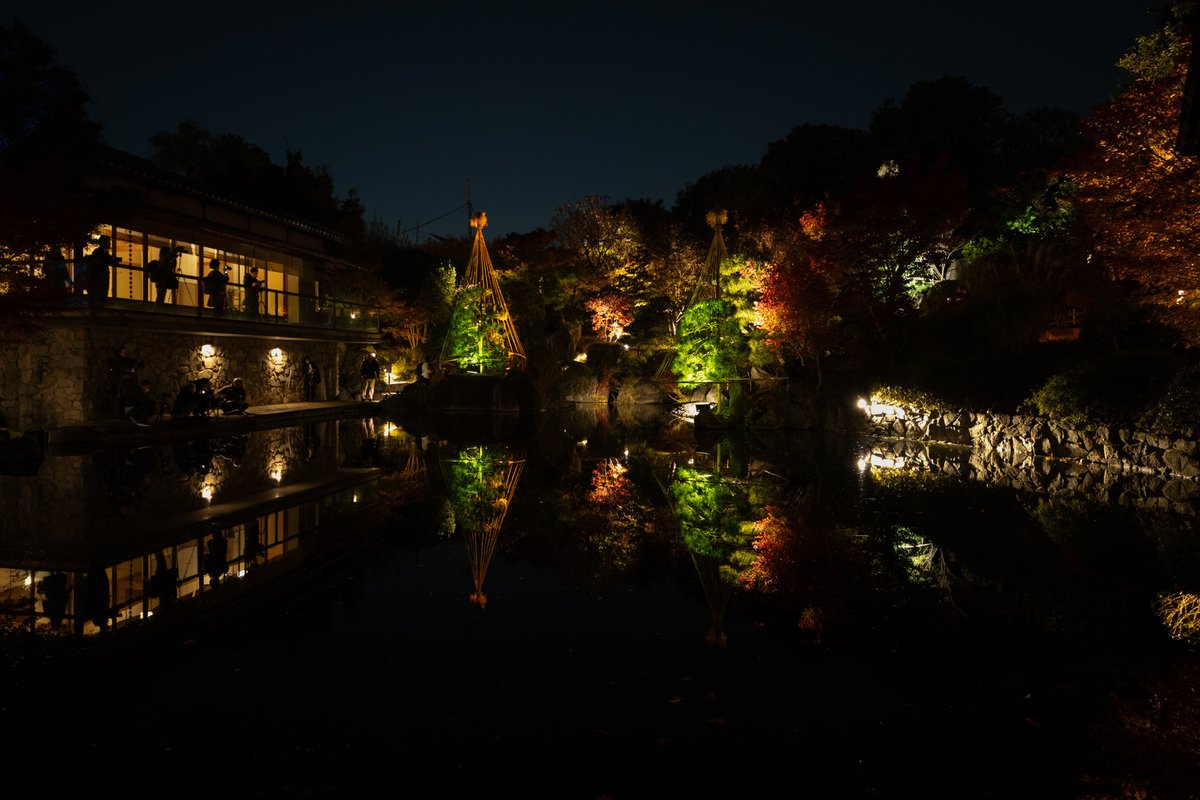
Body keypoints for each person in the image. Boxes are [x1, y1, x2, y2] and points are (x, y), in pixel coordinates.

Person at [83, 235, 120, 309]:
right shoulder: (99, 252)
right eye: (108, 242)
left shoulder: (104, 252)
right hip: (99, 278)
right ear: (103, 243)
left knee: (101, 297)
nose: (109, 244)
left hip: (101, 278)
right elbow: (103, 261)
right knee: (99, 297)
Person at [110, 344, 143, 419]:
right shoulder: (117, 361)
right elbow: (118, 372)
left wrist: (136, 366)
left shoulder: (129, 360)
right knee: (122, 399)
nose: (126, 353)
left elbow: (134, 366)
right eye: (124, 352)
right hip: (121, 384)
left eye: (126, 352)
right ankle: (122, 415)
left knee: (130, 399)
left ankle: (130, 414)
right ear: (120, 353)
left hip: (130, 383)